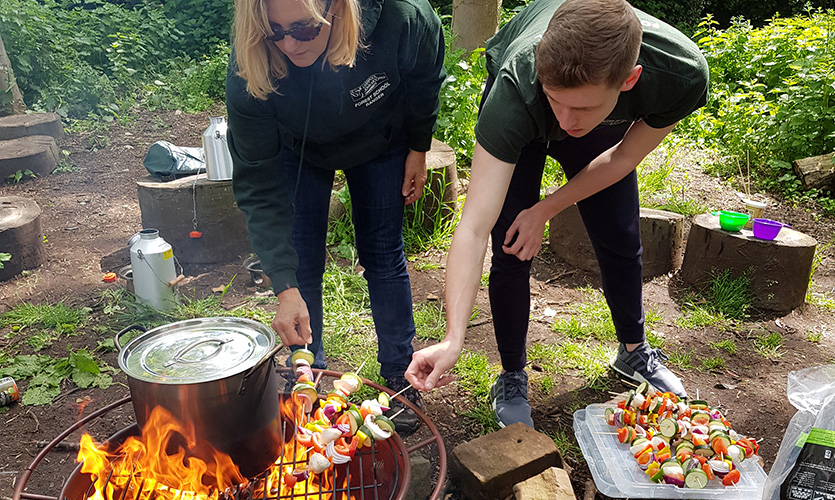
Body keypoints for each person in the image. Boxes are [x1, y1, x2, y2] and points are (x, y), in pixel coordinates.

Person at [405, 0, 708, 428]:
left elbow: (621, 160)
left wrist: (545, 209)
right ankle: (511, 375)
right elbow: (474, 225)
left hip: (605, 127)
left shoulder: (679, 74)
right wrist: (454, 338)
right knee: (510, 246)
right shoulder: (518, 90)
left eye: (580, 108)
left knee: (620, 234)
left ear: (630, 79)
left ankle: (633, 350)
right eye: (557, 103)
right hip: (528, 103)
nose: (565, 121)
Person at [226, 0, 446, 436]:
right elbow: (258, 182)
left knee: (382, 252)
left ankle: (401, 377)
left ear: (337, 9)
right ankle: (308, 378)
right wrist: (283, 286)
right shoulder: (251, 62)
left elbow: (424, 76)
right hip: (298, 149)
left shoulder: (401, 18)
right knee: (301, 260)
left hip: (381, 138)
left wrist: (419, 145)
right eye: (276, 31)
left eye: (305, 29)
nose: (289, 43)